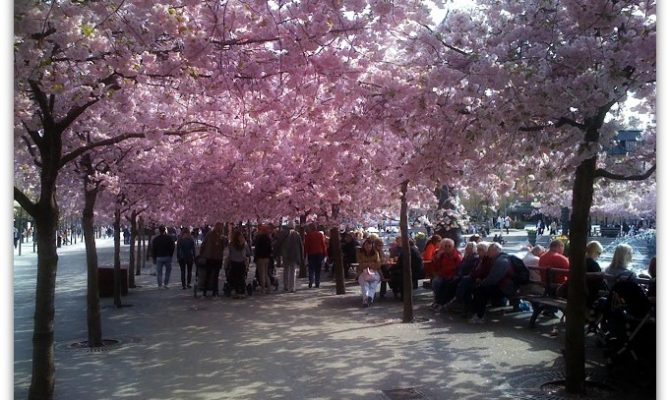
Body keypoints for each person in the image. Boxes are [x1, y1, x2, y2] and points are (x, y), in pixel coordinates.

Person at [469, 243, 515, 323]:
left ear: (496, 250)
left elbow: (493, 279)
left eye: (489, 250)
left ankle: (479, 315)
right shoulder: (497, 259)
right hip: (502, 285)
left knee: (480, 290)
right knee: (478, 289)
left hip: (506, 288)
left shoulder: (501, 260)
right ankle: (476, 313)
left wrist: (482, 283)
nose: (488, 252)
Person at [431, 238, 463, 308]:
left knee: (447, 283)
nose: (447, 248)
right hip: (442, 275)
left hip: (452, 275)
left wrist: (454, 275)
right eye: (445, 246)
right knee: (436, 282)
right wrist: (437, 258)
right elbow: (436, 267)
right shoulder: (441, 254)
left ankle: (442, 302)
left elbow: (459, 268)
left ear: (453, 246)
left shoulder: (457, 255)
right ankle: (437, 300)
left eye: (449, 246)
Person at [198, 222, 226, 296]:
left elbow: (223, 247)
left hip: (214, 257)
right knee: (211, 274)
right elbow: (204, 244)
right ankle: (211, 291)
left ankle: (212, 291)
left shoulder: (218, 236)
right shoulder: (210, 234)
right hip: (212, 257)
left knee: (212, 274)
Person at [357, 238, 382, 307]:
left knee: (373, 283)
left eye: (369, 246)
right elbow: (360, 264)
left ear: (372, 246)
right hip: (363, 272)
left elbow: (378, 264)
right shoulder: (361, 253)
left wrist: (367, 264)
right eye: (366, 246)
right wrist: (370, 264)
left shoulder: (375, 253)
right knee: (364, 283)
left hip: (374, 271)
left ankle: (369, 298)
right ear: (364, 246)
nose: (368, 247)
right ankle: (366, 298)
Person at [279, 223, 304, 293]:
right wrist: (301, 255)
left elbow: (280, 243)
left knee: (286, 270)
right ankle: (292, 287)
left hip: (285, 255)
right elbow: (300, 245)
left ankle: (286, 286)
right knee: (293, 271)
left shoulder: (283, 233)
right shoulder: (297, 234)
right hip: (294, 255)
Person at [227, 230, 252, 299]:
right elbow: (248, 253)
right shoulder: (244, 244)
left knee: (236, 277)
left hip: (235, 262)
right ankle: (241, 292)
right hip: (240, 263)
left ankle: (237, 291)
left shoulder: (231, 244)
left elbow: (229, 254)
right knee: (241, 277)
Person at [304, 223, 327, 288]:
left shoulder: (308, 235)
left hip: (311, 253)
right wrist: (325, 253)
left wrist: (305, 254)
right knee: (318, 269)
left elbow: (306, 245)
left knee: (311, 268)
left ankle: (311, 281)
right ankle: (317, 283)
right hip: (319, 253)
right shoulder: (320, 235)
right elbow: (323, 244)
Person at [254, 225, 273, 294]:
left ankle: (263, 289)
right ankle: (269, 288)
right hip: (267, 258)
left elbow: (257, 249)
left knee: (261, 273)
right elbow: (270, 249)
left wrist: (256, 257)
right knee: (266, 273)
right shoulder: (268, 238)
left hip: (260, 258)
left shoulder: (259, 238)